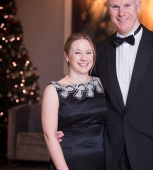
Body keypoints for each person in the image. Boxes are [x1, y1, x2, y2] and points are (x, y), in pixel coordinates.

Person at [57, 0, 153, 170]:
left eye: (127, 5)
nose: (121, 13)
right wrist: (66, 129)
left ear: (138, 6)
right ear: (108, 9)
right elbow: (88, 101)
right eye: (115, 6)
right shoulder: (99, 51)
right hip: (111, 154)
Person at [42, 33, 107, 170]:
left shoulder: (102, 84)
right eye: (77, 52)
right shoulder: (53, 90)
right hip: (69, 160)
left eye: (88, 52)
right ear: (66, 56)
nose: (84, 58)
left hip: (103, 159)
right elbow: (50, 136)